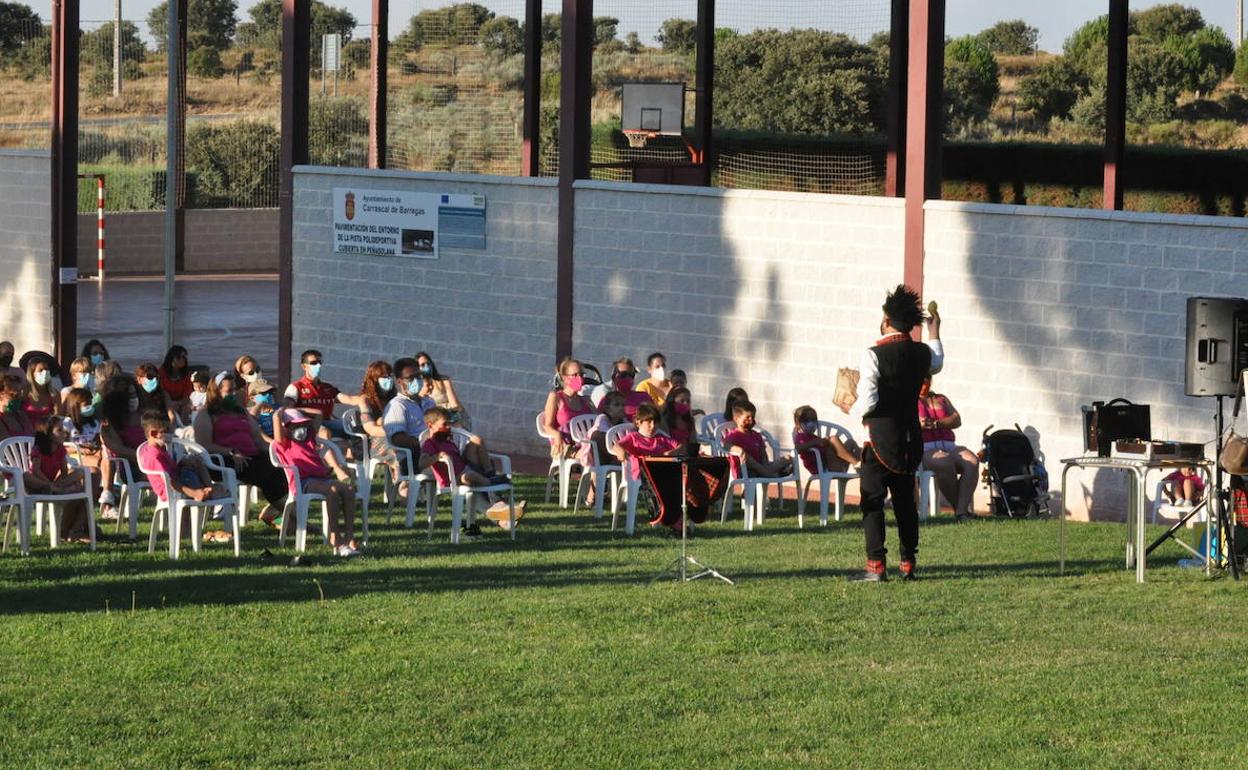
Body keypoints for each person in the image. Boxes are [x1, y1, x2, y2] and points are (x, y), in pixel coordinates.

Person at [844, 285, 943, 582]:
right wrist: (934, 331)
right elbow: (937, 361)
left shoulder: (873, 354)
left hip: (879, 439)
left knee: (872, 502)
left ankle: (876, 565)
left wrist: (849, 408)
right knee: (905, 502)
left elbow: (870, 401)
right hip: (910, 438)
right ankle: (908, 563)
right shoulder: (922, 352)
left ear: (886, 320)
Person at [193, 372, 288, 525]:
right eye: (229, 391)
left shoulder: (240, 411)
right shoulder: (206, 415)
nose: (233, 394)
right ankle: (289, 514)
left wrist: (280, 453)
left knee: (282, 467)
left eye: (234, 389)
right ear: (216, 392)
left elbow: (258, 440)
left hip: (250, 456)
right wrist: (232, 451)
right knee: (266, 470)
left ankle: (280, 512)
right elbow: (205, 445)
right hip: (224, 460)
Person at [419, 406, 525, 530]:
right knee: (471, 477)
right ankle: (497, 498)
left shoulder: (447, 441)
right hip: (452, 478)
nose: (448, 427)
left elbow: (461, 456)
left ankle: (496, 494)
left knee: (476, 440)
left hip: (465, 470)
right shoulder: (430, 444)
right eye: (444, 424)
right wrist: (438, 456)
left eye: (449, 423)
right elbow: (422, 463)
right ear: (430, 425)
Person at [272, 407, 360, 556]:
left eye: (303, 425)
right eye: (295, 425)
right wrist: (278, 414)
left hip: (322, 479)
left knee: (349, 489)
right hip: (303, 482)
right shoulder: (284, 443)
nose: (301, 429)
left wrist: (297, 409)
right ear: (287, 428)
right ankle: (336, 538)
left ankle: (349, 535)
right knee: (332, 491)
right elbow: (277, 425)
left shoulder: (310, 437)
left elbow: (319, 413)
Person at [138, 410, 232, 543]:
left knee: (194, 460)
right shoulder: (154, 455)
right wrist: (194, 492)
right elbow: (169, 482)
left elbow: (173, 471)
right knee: (190, 467)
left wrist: (183, 463)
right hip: (172, 491)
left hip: (178, 482)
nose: (169, 434)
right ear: (153, 433)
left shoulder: (160, 449)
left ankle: (209, 489)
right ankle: (204, 493)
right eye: (165, 430)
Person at [610, 403, 683, 530]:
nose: (653, 426)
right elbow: (616, 445)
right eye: (648, 422)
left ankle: (673, 517)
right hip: (641, 475)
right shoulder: (634, 437)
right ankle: (658, 517)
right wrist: (621, 451)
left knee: (677, 483)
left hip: (661, 473)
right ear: (638, 422)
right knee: (655, 486)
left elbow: (680, 446)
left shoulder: (661, 439)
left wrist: (671, 453)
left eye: (655, 422)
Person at [917, 376, 979, 521]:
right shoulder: (907, 400)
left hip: (948, 444)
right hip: (924, 448)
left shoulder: (941, 399)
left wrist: (938, 423)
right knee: (945, 462)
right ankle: (960, 510)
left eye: (927, 380)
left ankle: (961, 511)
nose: (925, 384)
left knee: (972, 461)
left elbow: (957, 419)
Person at [29, 416, 93, 543]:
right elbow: (35, 471)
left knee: (80, 472)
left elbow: (64, 471)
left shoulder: (60, 449)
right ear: (49, 434)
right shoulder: (38, 449)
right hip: (38, 484)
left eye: (64, 430)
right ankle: (55, 489)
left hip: (54, 483)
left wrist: (63, 481)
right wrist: (49, 484)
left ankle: (58, 489)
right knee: (26, 475)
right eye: (59, 430)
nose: (64, 433)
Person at [61, 387, 116, 519]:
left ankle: (106, 494)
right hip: (75, 456)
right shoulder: (67, 423)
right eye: (86, 404)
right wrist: (79, 448)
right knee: (100, 462)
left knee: (106, 456)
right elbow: (62, 446)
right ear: (75, 405)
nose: (90, 407)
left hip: (93, 454)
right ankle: (107, 498)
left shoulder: (94, 424)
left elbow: (99, 442)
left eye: (91, 403)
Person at [283, 349, 353, 439]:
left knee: (354, 428)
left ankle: (352, 453)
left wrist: (363, 399)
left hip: (328, 422)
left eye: (320, 362)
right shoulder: (295, 387)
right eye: (313, 363)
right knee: (324, 432)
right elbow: (287, 408)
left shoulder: (327, 387)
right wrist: (312, 413)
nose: (318, 365)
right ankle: (324, 453)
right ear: (304, 366)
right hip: (307, 425)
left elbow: (349, 399)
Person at [382, 358, 437, 470]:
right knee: (448, 459)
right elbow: (398, 439)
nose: (416, 381)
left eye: (418, 376)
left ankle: (479, 479)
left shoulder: (429, 402)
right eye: (411, 378)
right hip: (412, 457)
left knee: (474, 443)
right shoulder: (397, 406)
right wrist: (426, 445)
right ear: (399, 381)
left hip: (432, 450)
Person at [722, 401, 793, 478]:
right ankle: (773, 473)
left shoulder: (756, 435)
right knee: (747, 457)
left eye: (753, 417)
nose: (751, 420)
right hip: (745, 470)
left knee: (789, 458)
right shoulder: (733, 435)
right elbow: (725, 445)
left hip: (761, 468)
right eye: (747, 418)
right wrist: (738, 449)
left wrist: (766, 465)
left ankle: (769, 472)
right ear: (737, 419)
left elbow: (763, 454)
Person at [543, 357, 595, 459]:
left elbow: (598, 422)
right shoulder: (556, 397)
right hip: (568, 446)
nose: (579, 378)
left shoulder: (586, 400)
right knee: (591, 454)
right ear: (565, 378)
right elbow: (547, 426)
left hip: (586, 443)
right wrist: (557, 435)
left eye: (581, 374)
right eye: (575, 375)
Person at [356, 360, 400, 483]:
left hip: (393, 436)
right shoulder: (365, 400)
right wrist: (395, 430)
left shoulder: (395, 400)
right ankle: (402, 486)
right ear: (374, 379)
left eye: (390, 376)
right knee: (398, 449)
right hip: (370, 442)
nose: (389, 380)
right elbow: (370, 429)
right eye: (384, 377)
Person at [792, 405, 860, 476]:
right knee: (833, 439)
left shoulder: (813, 437)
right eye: (807, 421)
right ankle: (856, 463)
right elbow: (798, 449)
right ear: (798, 424)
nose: (811, 424)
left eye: (814, 420)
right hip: (823, 469)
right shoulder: (800, 437)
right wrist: (817, 442)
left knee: (851, 442)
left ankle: (861, 470)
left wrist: (825, 442)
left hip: (835, 465)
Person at [414, 351, 471, 429]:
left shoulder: (443, 380)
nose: (426, 366)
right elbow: (416, 406)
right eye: (422, 365)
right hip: (431, 422)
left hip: (452, 418)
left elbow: (455, 405)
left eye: (428, 363)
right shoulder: (416, 386)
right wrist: (423, 391)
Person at [158, 345, 193, 419]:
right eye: (178, 357)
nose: (182, 359)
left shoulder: (187, 374)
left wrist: (179, 403)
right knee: (170, 408)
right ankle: (172, 424)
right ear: (171, 358)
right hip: (165, 402)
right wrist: (170, 403)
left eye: (184, 357)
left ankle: (184, 427)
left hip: (182, 402)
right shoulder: (161, 372)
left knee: (186, 408)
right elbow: (163, 391)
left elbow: (188, 394)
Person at [659, 386, 698, 451]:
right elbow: (666, 442)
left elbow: (693, 442)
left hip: (687, 454)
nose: (685, 404)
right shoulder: (665, 420)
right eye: (682, 401)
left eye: (688, 401)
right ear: (672, 402)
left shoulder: (690, 420)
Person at [23, 357, 59, 422]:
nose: (45, 372)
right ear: (32, 373)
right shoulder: (24, 393)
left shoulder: (54, 394)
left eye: (47, 369)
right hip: (27, 430)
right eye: (41, 370)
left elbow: (58, 418)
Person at [0, 375, 35, 440]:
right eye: (13, 395)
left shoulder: (22, 416)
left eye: (19, 395)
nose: (18, 399)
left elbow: (33, 438)